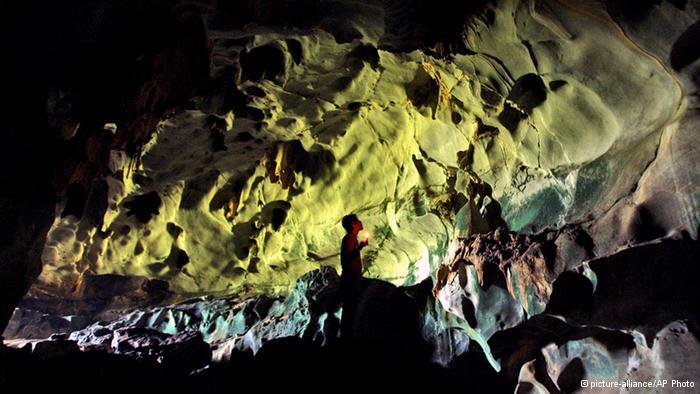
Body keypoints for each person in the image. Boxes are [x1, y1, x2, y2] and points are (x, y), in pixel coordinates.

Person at [339, 214, 368, 340]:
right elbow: (347, 257)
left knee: (350, 309)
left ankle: (347, 337)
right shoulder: (350, 238)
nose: (360, 222)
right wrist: (359, 248)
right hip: (350, 279)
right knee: (350, 309)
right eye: (357, 221)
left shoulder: (352, 238)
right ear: (353, 224)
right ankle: (347, 338)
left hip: (351, 278)